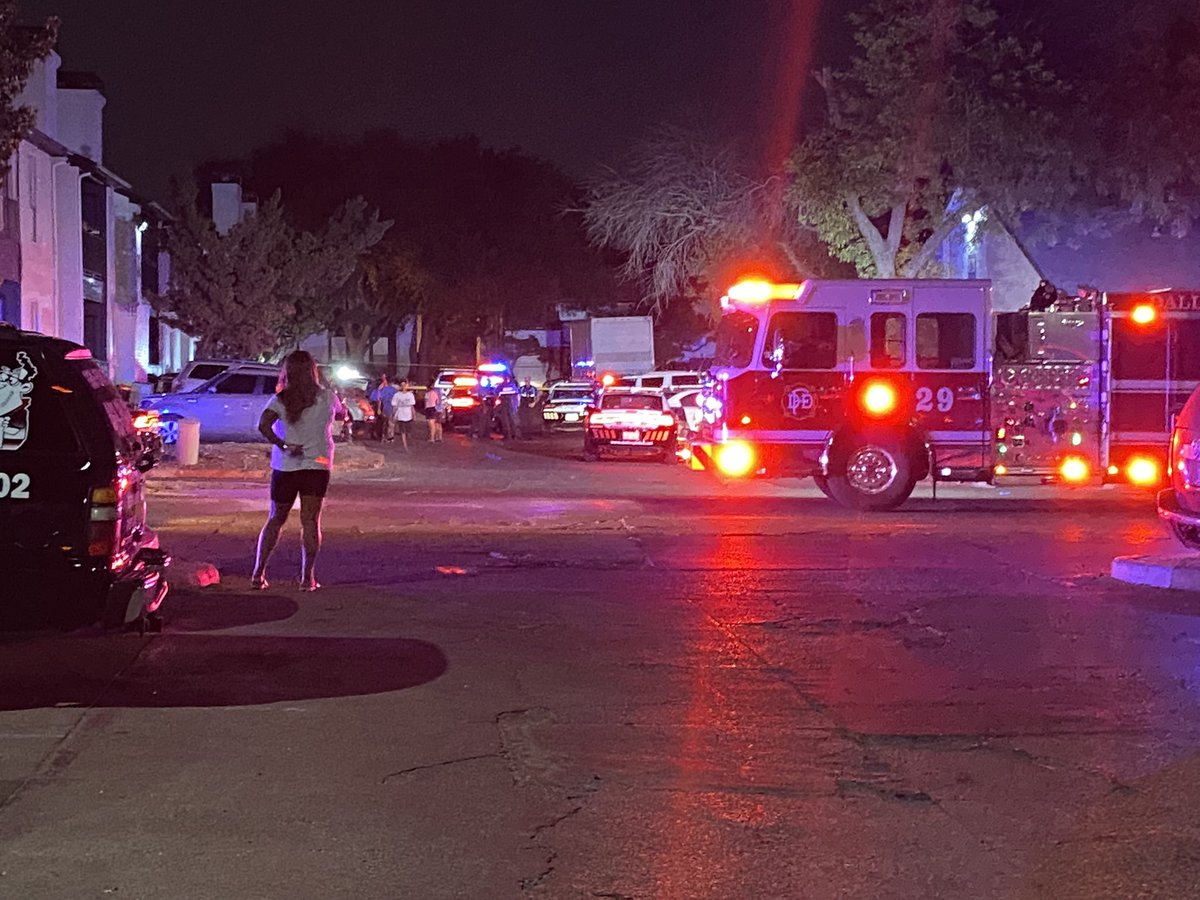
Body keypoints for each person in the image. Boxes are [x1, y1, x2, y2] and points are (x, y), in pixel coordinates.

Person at [251, 350, 344, 592]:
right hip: (317, 465)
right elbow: (343, 415)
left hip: (285, 465)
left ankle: (258, 573)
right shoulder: (327, 398)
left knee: (275, 519)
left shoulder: (281, 400)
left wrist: (282, 444)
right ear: (313, 371)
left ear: (288, 372)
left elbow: (263, 425)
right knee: (311, 522)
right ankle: (307, 578)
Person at [391, 378, 417, 450]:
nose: (403, 387)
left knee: (408, 431)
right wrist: (394, 415)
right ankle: (405, 446)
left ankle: (409, 443)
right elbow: (395, 406)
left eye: (404, 385)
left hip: (408, 415)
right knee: (402, 431)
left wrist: (414, 415)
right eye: (402, 385)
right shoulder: (396, 395)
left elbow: (412, 406)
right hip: (400, 415)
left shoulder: (410, 395)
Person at [370, 375, 398, 442]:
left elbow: (378, 399)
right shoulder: (392, 390)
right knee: (389, 423)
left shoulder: (382, 390)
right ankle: (388, 436)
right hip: (389, 408)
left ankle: (386, 436)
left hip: (386, 408)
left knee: (385, 423)